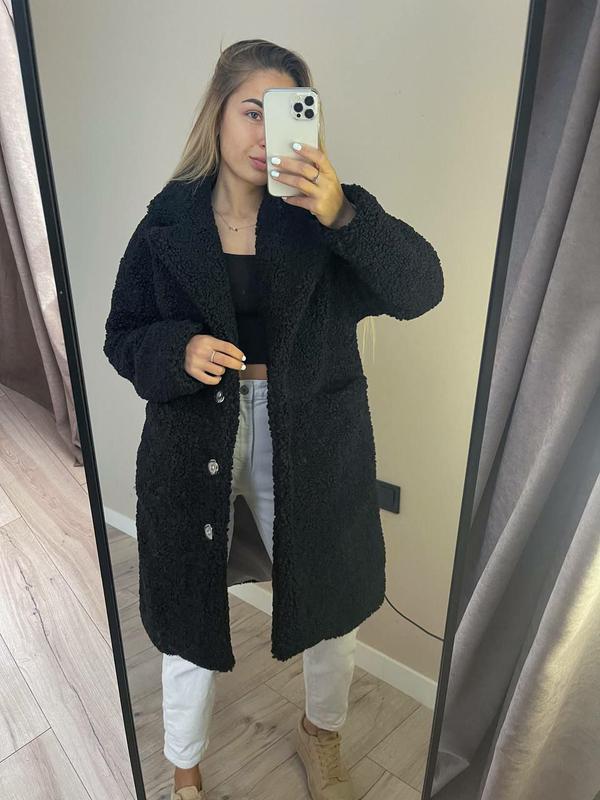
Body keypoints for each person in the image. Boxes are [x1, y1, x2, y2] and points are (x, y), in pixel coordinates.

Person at [104, 37, 443, 800]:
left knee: (333, 602)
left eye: (285, 113)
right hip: (194, 436)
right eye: (251, 111)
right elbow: (123, 334)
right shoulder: (166, 223)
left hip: (311, 433)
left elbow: (422, 289)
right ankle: (184, 768)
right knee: (187, 605)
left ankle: (322, 735)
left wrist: (343, 214)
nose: (264, 133)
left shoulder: (325, 215)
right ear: (218, 115)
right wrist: (178, 349)